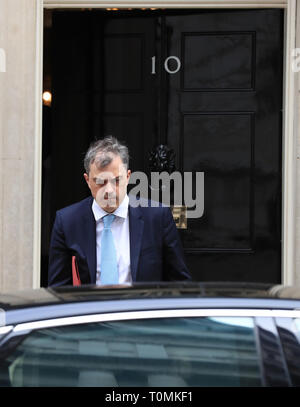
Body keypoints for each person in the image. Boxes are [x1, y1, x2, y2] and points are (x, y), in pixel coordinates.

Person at [48, 136, 191, 286]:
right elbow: (58, 290)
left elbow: (179, 283)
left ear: (128, 177)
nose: (108, 190)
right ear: (87, 180)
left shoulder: (157, 217)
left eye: (116, 180)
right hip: (90, 308)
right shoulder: (67, 222)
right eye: (100, 182)